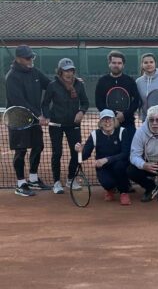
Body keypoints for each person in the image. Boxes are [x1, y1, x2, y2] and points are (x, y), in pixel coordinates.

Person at [5, 45, 51, 196]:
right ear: (18, 59)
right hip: (18, 118)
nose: (31, 60)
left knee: (38, 146)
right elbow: (20, 101)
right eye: (27, 58)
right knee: (21, 150)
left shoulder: (35, 72)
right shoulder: (11, 77)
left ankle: (33, 178)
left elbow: (50, 84)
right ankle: (21, 184)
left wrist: (69, 81)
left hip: (34, 118)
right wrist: (40, 115)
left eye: (32, 57)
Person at [41, 58, 89, 194]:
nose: (69, 73)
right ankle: (56, 182)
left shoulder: (79, 85)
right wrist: (47, 116)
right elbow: (45, 103)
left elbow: (85, 102)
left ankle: (70, 179)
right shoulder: (52, 85)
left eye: (71, 70)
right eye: (66, 70)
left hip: (73, 124)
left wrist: (81, 111)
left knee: (76, 152)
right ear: (60, 71)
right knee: (57, 153)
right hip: (56, 124)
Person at [75, 109, 132, 205]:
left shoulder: (122, 132)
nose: (107, 122)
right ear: (100, 123)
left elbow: (126, 153)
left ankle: (124, 192)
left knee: (120, 166)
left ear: (114, 121)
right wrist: (80, 152)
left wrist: (107, 160)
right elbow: (85, 156)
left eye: (109, 119)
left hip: (119, 164)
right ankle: (110, 189)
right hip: (103, 167)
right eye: (104, 120)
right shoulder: (95, 134)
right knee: (107, 183)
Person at [95, 50, 140, 139]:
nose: (116, 65)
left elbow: (136, 100)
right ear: (109, 64)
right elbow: (98, 102)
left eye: (119, 63)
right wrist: (114, 115)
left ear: (123, 65)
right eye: (114, 62)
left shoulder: (130, 80)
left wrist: (124, 114)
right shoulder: (102, 81)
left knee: (129, 150)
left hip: (128, 122)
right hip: (108, 123)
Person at [136, 53, 158, 121]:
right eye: (146, 62)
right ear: (142, 65)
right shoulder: (138, 82)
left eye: (151, 62)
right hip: (146, 119)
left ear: (155, 63)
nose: (149, 64)